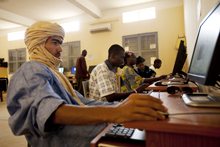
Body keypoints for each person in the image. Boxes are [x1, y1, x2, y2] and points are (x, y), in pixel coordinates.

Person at [6, 21, 168, 147]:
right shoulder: (31, 69)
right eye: (55, 42)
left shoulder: (54, 73)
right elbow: (51, 113)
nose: (60, 49)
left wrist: (123, 107)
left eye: (60, 43)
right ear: (38, 45)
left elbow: (82, 102)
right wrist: (116, 113)